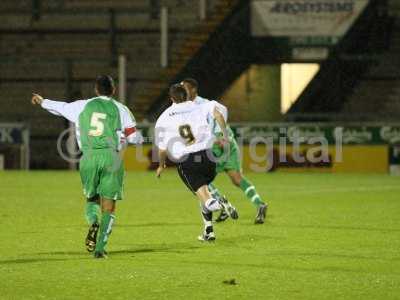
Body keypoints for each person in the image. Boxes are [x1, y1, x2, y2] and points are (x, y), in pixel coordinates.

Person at [31, 75, 143, 258]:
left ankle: (93, 221)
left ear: (96, 90)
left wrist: (43, 101)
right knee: (109, 206)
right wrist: (134, 139)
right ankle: (100, 249)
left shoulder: (82, 105)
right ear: (113, 90)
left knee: (92, 199)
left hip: (89, 157)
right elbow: (133, 137)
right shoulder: (121, 109)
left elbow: (60, 107)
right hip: (111, 158)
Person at [155, 84, 238, 241]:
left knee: (207, 198)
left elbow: (162, 149)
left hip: (188, 162)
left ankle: (222, 204)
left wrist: (161, 165)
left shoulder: (164, 118)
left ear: (171, 98)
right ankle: (209, 230)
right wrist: (224, 135)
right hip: (209, 158)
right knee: (204, 193)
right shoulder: (201, 106)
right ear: (187, 95)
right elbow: (219, 114)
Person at [181, 78, 268, 224]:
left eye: (185, 89)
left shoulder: (201, 104)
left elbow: (217, 117)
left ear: (193, 90)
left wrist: (220, 136)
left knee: (201, 178)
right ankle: (260, 204)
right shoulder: (196, 105)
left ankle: (222, 205)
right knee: (236, 178)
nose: (182, 92)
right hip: (228, 141)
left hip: (217, 144)